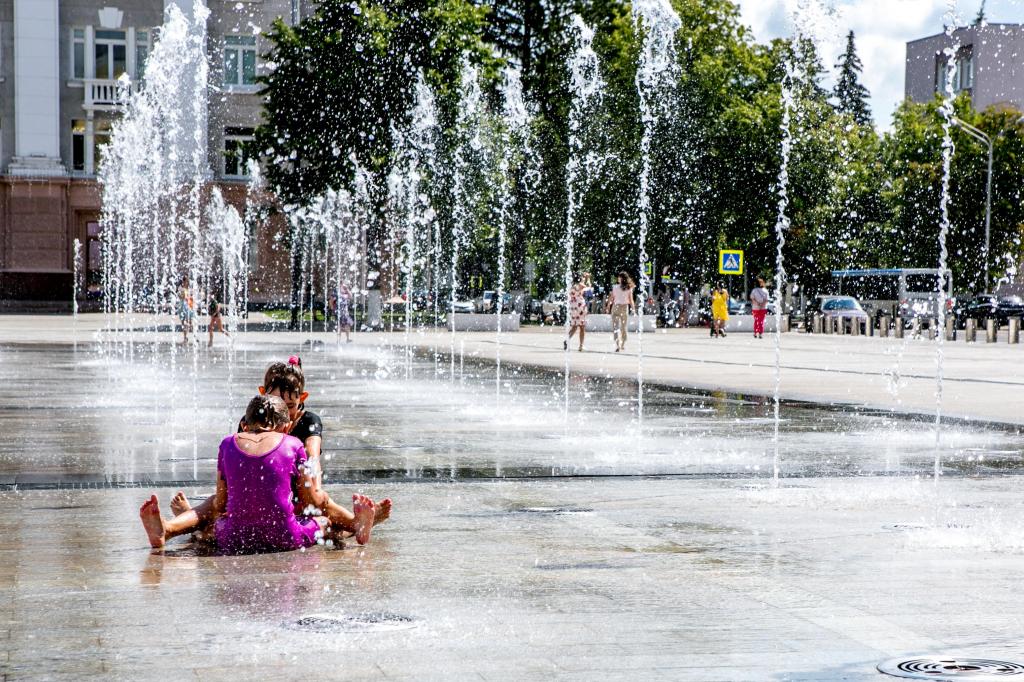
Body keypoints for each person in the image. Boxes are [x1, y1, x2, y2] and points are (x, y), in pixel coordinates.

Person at [168, 358, 391, 541]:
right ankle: (359, 523)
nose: (283, 410)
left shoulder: (308, 422)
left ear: (302, 399)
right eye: (277, 402)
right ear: (263, 393)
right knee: (216, 505)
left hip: (294, 495)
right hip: (261, 501)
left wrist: (315, 496)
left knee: (324, 514)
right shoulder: (250, 422)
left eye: (290, 406)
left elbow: (313, 458)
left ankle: (190, 521)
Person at [140, 395, 378, 553]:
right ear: (284, 427)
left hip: (235, 538)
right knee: (324, 522)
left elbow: (221, 502)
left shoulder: (227, 444)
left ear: (245, 424)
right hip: (285, 537)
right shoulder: (293, 444)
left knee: (211, 529)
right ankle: (356, 527)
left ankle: (173, 528)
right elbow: (311, 501)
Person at [606, 271, 636, 352]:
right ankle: (622, 344)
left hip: (616, 307)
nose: (618, 278)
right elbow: (631, 300)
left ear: (622, 278)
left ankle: (617, 345)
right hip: (624, 307)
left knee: (615, 327)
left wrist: (608, 306)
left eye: (619, 277)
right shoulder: (629, 288)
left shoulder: (615, 287)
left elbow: (611, 298)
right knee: (623, 327)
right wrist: (633, 309)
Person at [564, 272, 592, 352]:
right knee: (582, 327)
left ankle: (567, 339)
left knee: (574, 326)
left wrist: (585, 278)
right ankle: (581, 346)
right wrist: (588, 278)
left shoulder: (571, 286)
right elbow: (589, 289)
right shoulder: (580, 285)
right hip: (580, 307)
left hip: (573, 307)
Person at [177, 278, 196, 345]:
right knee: (184, 323)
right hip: (182, 307)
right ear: (184, 281)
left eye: (188, 281)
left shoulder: (188, 289)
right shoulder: (181, 288)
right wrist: (184, 296)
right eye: (187, 281)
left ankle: (194, 337)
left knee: (190, 322)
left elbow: (190, 297)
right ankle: (186, 338)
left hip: (188, 307)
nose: (187, 283)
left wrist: (190, 298)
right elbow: (180, 296)